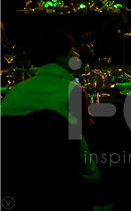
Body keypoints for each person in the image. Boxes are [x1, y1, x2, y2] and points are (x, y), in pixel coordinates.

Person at [2, 32, 101, 184]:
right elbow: (82, 138)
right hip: (62, 176)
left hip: (14, 176)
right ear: (60, 57)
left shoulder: (15, 91)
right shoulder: (73, 90)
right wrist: (93, 177)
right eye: (73, 50)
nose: (77, 54)